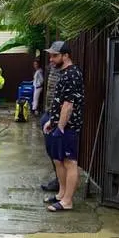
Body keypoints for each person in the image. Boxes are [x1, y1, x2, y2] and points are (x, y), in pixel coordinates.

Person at [42, 41, 84, 212]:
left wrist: (60, 127)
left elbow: (68, 105)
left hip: (68, 126)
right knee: (58, 160)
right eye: (51, 55)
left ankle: (67, 201)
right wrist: (51, 122)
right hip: (58, 124)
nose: (51, 59)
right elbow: (59, 102)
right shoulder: (64, 73)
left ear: (65, 56)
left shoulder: (72, 74)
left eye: (55, 55)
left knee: (69, 162)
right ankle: (61, 194)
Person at [40, 63, 61, 192]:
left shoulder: (67, 74)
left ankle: (61, 183)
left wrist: (55, 119)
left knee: (58, 154)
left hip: (55, 117)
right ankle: (58, 179)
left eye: (54, 56)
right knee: (51, 151)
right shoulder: (53, 70)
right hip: (48, 114)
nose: (51, 60)